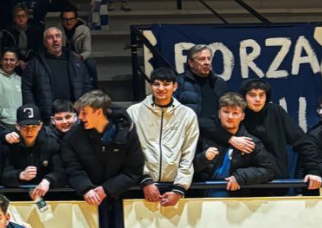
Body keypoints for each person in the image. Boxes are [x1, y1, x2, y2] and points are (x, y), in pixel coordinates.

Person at [200, 79, 306, 181]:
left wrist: (311, 171)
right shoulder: (236, 114)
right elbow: (201, 123)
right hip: (244, 181)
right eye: (252, 95)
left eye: (262, 95)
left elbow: (303, 142)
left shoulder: (275, 111)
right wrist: (230, 139)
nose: (258, 99)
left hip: (274, 179)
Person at [126, 67, 199, 206]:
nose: (161, 88)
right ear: (150, 86)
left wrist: (179, 188)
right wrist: (145, 180)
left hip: (174, 186)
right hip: (140, 184)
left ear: (175, 86)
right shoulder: (133, 112)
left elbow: (188, 154)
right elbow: (130, 152)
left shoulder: (188, 115)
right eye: (156, 84)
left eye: (166, 84)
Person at [62, 90, 144, 204]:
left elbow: (133, 170)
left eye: (84, 113)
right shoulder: (72, 137)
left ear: (99, 112)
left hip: (120, 196)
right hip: (86, 198)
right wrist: (85, 188)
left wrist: (107, 189)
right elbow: (72, 169)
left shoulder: (127, 132)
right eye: (79, 113)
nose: (80, 117)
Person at [193, 92, 275, 193]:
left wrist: (240, 177)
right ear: (219, 113)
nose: (230, 117)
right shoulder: (204, 136)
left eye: (235, 113)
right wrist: (203, 158)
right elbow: (188, 167)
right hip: (200, 195)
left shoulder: (251, 142)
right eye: (226, 112)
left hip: (235, 198)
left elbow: (269, 170)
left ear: (242, 116)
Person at [22, 26, 91, 119]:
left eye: (58, 36)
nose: (55, 40)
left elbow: (87, 86)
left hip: (74, 116)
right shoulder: (34, 64)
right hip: (46, 117)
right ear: (45, 43)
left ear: (62, 40)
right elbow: (27, 89)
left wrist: (82, 108)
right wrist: (35, 113)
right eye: (50, 37)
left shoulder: (76, 63)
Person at [1, 104, 64, 199]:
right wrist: (20, 175)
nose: (29, 131)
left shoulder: (51, 143)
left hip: (47, 195)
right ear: (17, 126)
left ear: (40, 126)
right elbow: (4, 176)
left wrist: (48, 180)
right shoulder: (10, 145)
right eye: (25, 127)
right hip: (17, 197)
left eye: (34, 127)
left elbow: (60, 172)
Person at [174, 45, 228, 137]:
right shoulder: (179, 83)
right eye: (202, 59)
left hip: (217, 135)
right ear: (191, 63)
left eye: (209, 59)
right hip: (190, 135)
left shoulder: (219, 83)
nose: (207, 63)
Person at [60, 7, 96, 88]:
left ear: (76, 20)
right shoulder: (58, 31)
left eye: (71, 19)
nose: (69, 22)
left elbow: (88, 51)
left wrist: (80, 56)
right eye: (66, 19)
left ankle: (94, 88)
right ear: (62, 20)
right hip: (64, 57)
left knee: (90, 63)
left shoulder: (84, 30)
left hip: (79, 56)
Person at [295, 95, 322, 192]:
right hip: (316, 190)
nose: (321, 112)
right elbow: (302, 165)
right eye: (320, 108)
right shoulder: (312, 135)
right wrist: (298, 191)